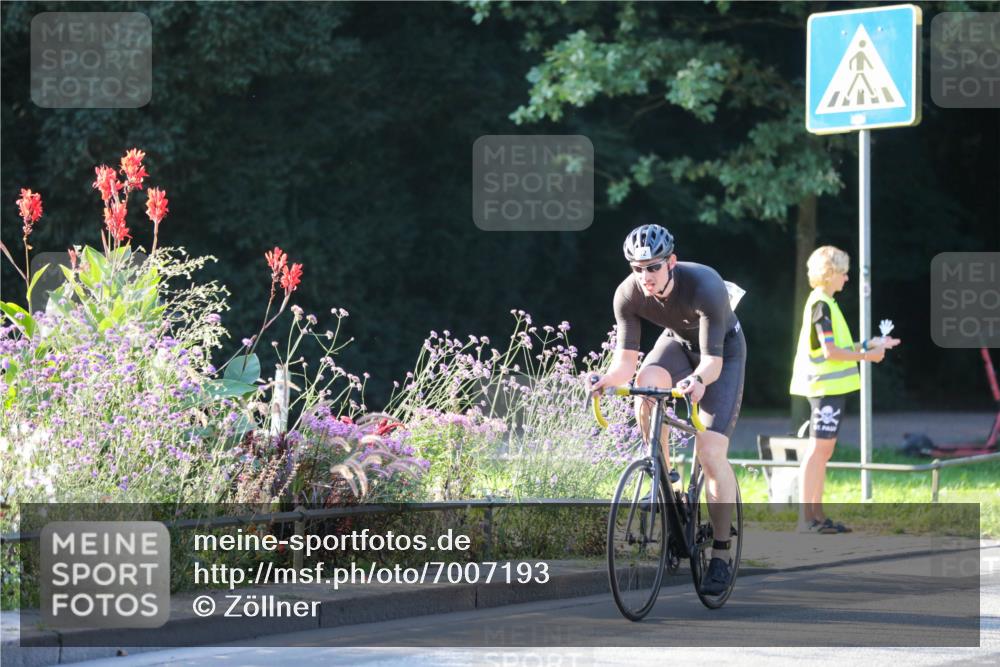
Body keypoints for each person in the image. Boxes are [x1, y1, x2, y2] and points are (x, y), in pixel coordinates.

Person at [589, 223, 745, 596]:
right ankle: (663, 474)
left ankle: (721, 553)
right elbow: (625, 364)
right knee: (647, 382)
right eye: (637, 268)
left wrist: (697, 381)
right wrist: (606, 381)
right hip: (676, 343)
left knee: (709, 452)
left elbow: (711, 363)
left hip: (721, 354)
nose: (646, 277)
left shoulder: (704, 285)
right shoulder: (627, 294)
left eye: (653, 267)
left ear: (671, 262)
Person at [789, 246, 901, 534]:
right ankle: (807, 519)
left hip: (831, 389)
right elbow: (830, 352)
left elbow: (838, 346)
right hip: (824, 388)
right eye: (843, 272)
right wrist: (868, 357)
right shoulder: (821, 304)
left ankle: (817, 516)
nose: (847, 278)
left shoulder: (827, 303)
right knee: (817, 452)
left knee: (823, 452)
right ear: (829, 274)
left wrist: (870, 344)